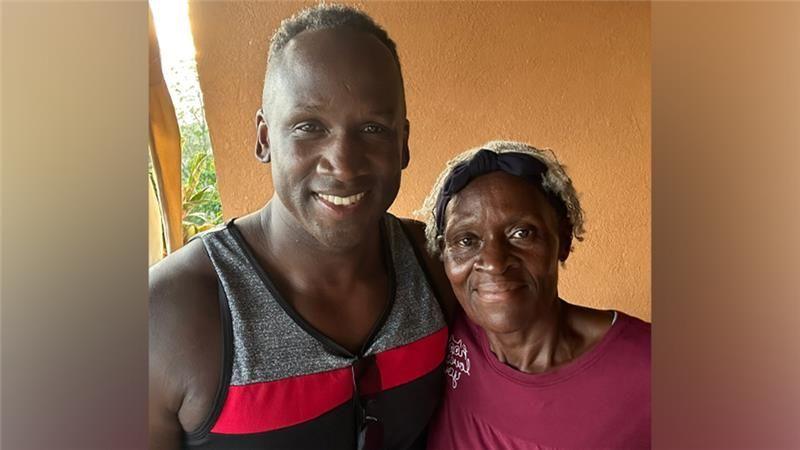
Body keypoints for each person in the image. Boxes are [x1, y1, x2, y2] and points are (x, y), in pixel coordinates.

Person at [149, 5, 454, 449]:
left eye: (372, 128)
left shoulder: (437, 267)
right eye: (309, 127)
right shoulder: (169, 314)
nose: (343, 165)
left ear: (402, 143)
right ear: (264, 138)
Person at [421, 141, 651, 449]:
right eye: (466, 240)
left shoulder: (647, 367)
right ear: (444, 254)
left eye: (522, 233)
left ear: (563, 240)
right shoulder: (446, 325)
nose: (494, 262)